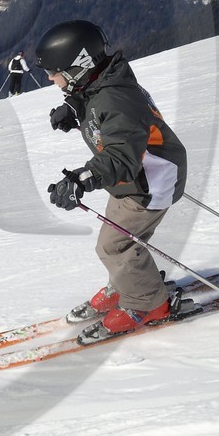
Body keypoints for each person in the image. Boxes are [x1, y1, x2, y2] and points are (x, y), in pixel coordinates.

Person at [36, 19, 188, 341]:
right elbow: (96, 104)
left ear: (79, 66)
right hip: (132, 180)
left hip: (149, 183)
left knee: (115, 245)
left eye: (55, 71)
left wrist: (81, 179)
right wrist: (72, 108)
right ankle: (127, 284)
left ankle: (148, 304)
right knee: (115, 241)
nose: (50, 78)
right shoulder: (103, 82)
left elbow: (120, 155)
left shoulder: (116, 100)